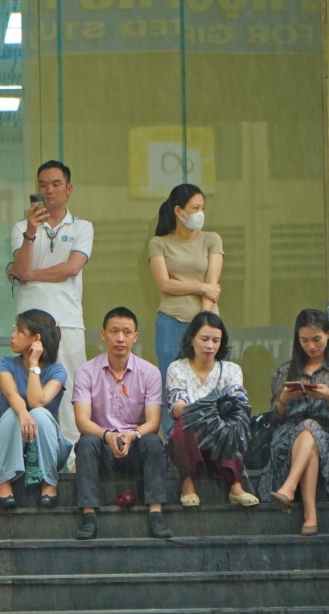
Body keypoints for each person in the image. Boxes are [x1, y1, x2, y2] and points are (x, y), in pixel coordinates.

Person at [6, 160, 92, 454]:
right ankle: (37, 452)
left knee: (71, 390)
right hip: (30, 324)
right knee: (31, 386)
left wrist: (29, 275)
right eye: (43, 185)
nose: (49, 190)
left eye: (56, 184)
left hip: (68, 320)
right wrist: (31, 231)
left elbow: (71, 268)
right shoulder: (21, 227)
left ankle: (74, 454)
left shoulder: (82, 227)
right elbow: (21, 266)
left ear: (68, 188)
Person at [72, 307, 172, 540]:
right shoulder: (86, 372)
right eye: (114, 331)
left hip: (134, 446)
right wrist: (107, 435)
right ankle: (88, 517)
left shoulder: (150, 373)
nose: (120, 338)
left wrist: (132, 435)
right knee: (86, 443)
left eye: (126, 332)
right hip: (102, 446)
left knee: (153, 442)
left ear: (135, 337)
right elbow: (82, 421)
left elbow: (153, 422)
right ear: (103, 334)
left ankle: (156, 514)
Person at [149, 184, 223, 436]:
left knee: (209, 379)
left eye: (203, 208)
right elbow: (165, 284)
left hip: (206, 321)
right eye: (195, 208)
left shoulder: (212, 239)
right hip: (170, 321)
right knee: (170, 384)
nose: (200, 213)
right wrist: (200, 286)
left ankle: (210, 440)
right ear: (178, 211)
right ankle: (174, 442)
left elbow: (213, 286)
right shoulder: (159, 243)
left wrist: (203, 322)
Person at [166, 311, 257, 507]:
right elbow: (178, 407)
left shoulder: (232, 369)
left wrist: (209, 415)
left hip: (220, 436)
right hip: (190, 437)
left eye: (216, 340)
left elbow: (237, 404)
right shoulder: (177, 368)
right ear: (192, 338)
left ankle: (235, 487)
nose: (210, 346)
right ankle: (187, 484)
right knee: (186, 421)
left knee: (230, 424)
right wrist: (212, 412)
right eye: (204, 339)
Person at [0, 309, 71, 509]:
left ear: (36, 339)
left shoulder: (57, 371)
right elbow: (12, 394)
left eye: (19, 331)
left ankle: (48, 481)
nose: (13, 335)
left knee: (40, 414)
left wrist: (34, 364)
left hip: (49, 448)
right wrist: (23, 414)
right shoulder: (4, 363)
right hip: (6, 446)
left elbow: (36, 401)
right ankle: (4, 480)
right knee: (13, 413)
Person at [259, 309, 329, 535]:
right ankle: (310, 516)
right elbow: (275, 417)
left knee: (311, 430)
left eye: (316, 339)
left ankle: (289, 489)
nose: (311, 346)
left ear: (328, 335)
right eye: (304, 340)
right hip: (289, 436)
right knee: (309, 430)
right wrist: (283, 400)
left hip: (326, 434)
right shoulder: (285, 371)